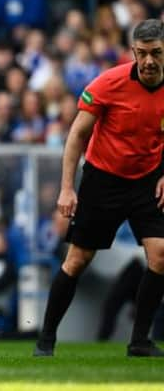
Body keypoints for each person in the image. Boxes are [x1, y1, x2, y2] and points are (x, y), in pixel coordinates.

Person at [34, 19, 164, 358]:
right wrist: (67, 188)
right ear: (134, 53)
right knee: (78, 259)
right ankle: (46, 339)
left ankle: (139, 341)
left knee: (161, 255)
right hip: (103, 179)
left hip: (149, 179)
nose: (150, 61)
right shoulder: (109, 84)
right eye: (143, 53)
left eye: (157, 53)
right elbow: (77, 135)